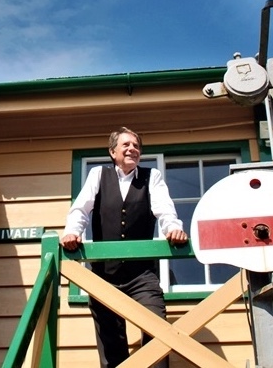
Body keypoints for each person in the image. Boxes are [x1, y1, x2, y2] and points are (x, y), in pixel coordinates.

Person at [60, 127, 188, 368]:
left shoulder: (152, 177)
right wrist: (72, 233)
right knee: (111, 343)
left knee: (158, 330)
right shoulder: (99, 175)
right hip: (104, 275)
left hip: (142, 274)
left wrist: (173, 228)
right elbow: (80, 209)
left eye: (136, 146)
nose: (133, 149)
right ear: (112, 151)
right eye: (126, 145)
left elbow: (165, 209)